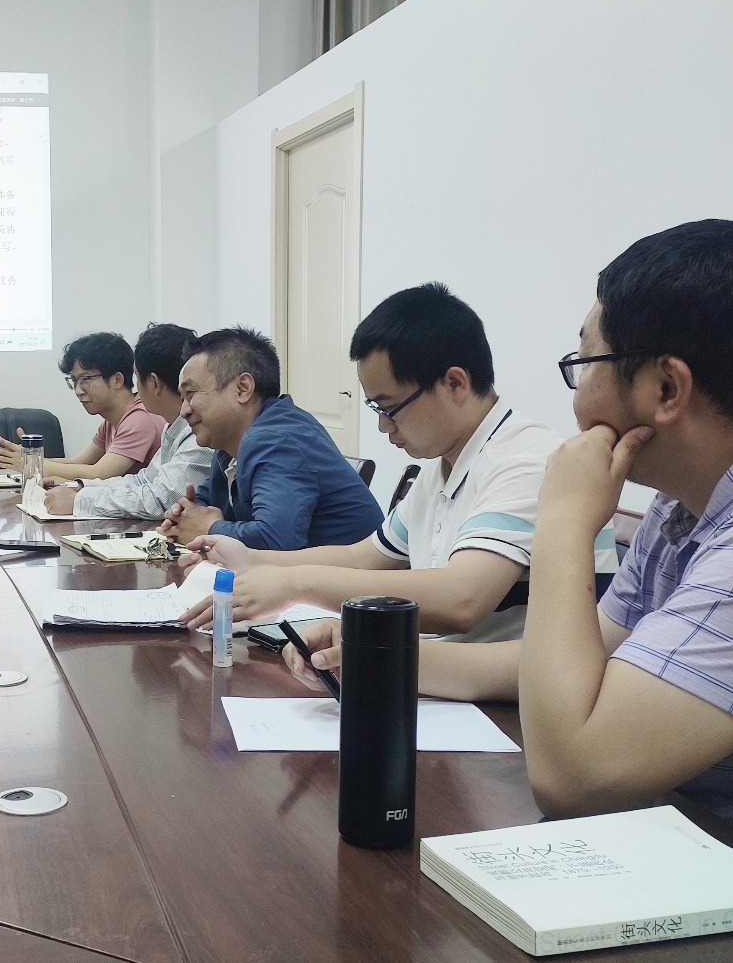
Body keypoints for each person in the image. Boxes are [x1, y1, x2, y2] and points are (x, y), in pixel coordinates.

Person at [285, 220, 733, 821]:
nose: (576, 392)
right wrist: (377, 656)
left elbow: (573, 776)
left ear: (666, 388)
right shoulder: (676, 512)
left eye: (585, 362)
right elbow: (587, 659)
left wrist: (565, 520)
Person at [180, 285, 618, 641]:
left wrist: (294, 584)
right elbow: (363, 557)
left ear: (454, 383)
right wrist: (252, 559)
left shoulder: (527, 460)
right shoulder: (444, 467)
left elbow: (462, 599)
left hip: (498, 706)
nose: (382, 426)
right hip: (444, 679)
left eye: (389, 407)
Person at [158, 327, 383, 551]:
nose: (184, 411)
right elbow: (206, 501)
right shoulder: (230, 444)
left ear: (243, 388)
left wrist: (208, 527)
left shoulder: (278, 440)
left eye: (191, 394)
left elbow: (275, 540)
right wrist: (185, 515)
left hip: (355, 573)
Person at [39, 323, 213, 518]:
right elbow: (142, 481)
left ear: (154, 383)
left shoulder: (198, 432)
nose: (79, 390)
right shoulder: (172, 427)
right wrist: (79, 487)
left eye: (137, 377)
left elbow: (162, 500)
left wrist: (79, 500)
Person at [0, 331, 165, 481]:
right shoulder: (112, 420)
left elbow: (98, 474)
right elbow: (79, 463)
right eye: (74, 381)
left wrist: (33, 464)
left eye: (86, 379)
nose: (78, 390)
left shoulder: (139, 419)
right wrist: (30, 458)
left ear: (117, 380)